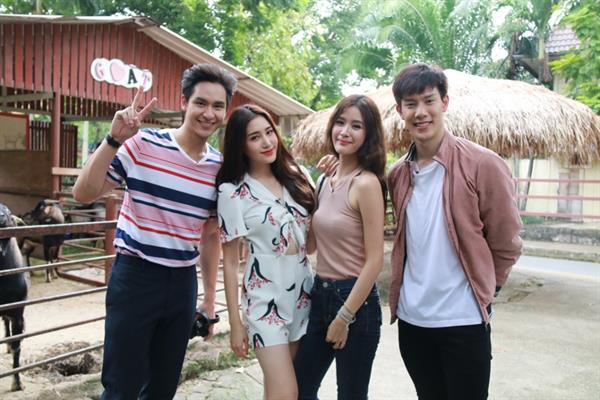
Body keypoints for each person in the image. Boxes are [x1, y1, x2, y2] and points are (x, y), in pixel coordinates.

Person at [73, 63, 237, 400]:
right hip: (136, 278)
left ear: (225, 111)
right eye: (200, 103)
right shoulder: (142, 144)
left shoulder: (218, 168)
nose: (208, 113)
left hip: (182, 283)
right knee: (122, 387)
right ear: (184, 103)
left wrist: (209, 299)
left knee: (162, 389)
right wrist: (113, 140)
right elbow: (83, 193)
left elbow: (210, 235)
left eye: (217, 106)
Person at [387, 63, 522, 400]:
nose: (420, 112)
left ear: (444, 102)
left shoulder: (483, 164)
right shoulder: (398, 174)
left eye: (429, 100)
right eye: (410, 104)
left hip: (463, 320)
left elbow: (506, 240)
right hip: (412, 321)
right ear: (400, 111)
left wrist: (488, 289)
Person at [216, 104, 316, 400]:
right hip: (264, 300)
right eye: (254, 137)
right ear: (241, 145)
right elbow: (229, 261)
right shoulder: (232, 191)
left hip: (303, 295)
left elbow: (313, 241)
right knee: (286, 392)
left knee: (278, 390)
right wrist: (235, 323)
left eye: (269, 132)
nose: (266, 142)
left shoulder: (299, 177)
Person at [294, 94, 387, 400]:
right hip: (320, 295)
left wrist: (345, 317)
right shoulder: (324, 181)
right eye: (340, 122)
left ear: (368, 135)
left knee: (350, 395)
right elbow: (310, 246)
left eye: (356, 126)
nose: (345, 132)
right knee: (299, 389)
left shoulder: (367, 184)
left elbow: (375, 260)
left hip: (355, 304)